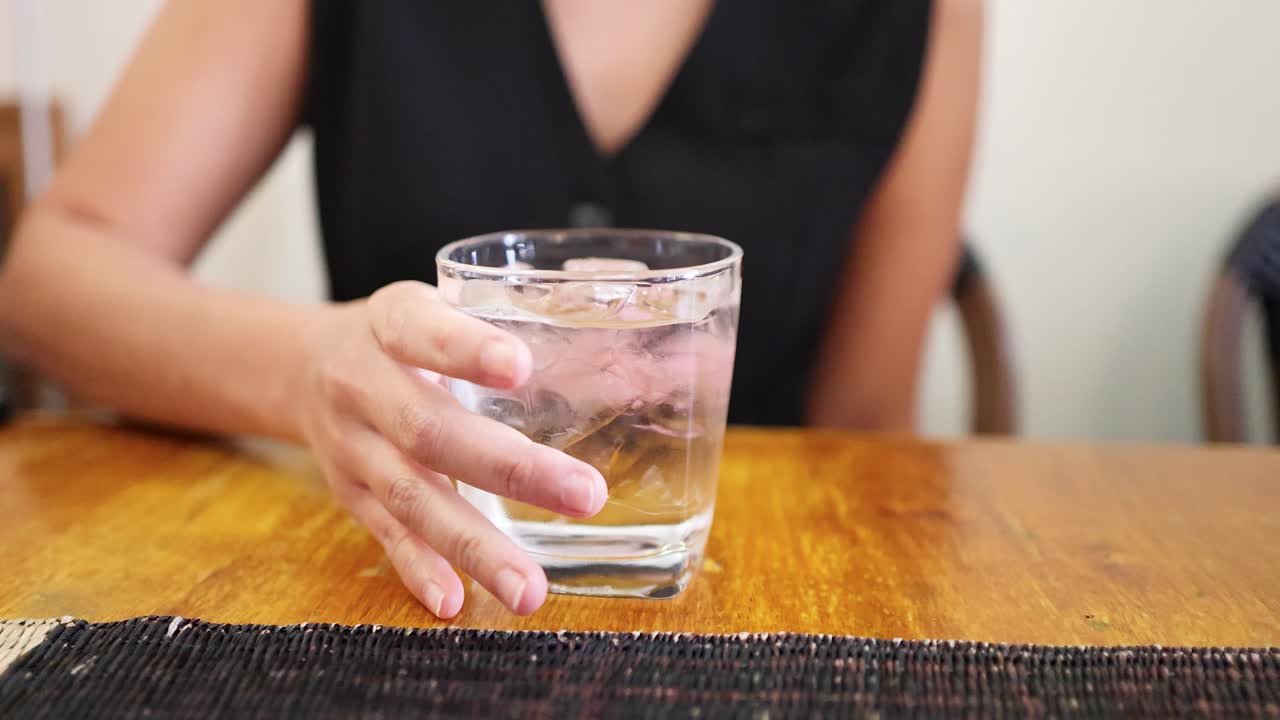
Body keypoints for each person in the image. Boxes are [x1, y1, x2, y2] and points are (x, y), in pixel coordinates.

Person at [0, 0, 982, 618]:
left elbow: (865, 422)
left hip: (745, 606)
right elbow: (47, 282)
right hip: (399, 593)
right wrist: (303, 368)